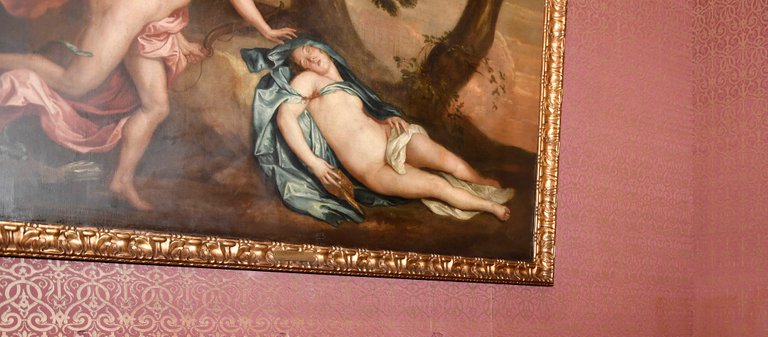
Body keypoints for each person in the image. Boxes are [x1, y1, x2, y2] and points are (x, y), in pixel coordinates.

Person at [0, 0, 295, 210]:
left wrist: (179, 39)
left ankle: (121, 181)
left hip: (144, 20)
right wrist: (265, 29)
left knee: (156, 106)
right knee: (74, 83)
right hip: (125, 13)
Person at [243, 39, 512, 226]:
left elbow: (364, 114)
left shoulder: (349, 84)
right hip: (372, 168)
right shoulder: (307, 80)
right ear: (302, 69)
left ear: (323, 49)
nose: (310, 57)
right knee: (436, 186)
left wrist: (387, 117)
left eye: (308, 49)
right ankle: (490, 207)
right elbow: (285, 117)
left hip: (392, 139)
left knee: (447, 160)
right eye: (303, 60)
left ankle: (482, 182)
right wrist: (314, 164)